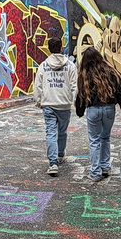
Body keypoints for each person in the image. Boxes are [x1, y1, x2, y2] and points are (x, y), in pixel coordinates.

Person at [75, 47, 121, 182]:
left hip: (93, 110)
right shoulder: (111, 71)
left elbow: (80, 95)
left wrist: (79, 111)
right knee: (105, 138)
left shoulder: (84, 74)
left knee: (94, 141)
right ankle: (105, 167)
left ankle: (95, 172)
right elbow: (120, 92)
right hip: (109, 109)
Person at [34, 37, 77, 176]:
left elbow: (38, 85)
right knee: (62, 132)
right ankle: (60, 155)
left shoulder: (43, 66)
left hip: (48, 104)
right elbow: (74, 86)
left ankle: (53, 164)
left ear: (49, 49)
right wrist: (74, 100)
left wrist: (39, 101)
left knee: (51, 133)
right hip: (64, 104)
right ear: (61, 48)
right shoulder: (70, 65)